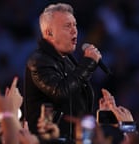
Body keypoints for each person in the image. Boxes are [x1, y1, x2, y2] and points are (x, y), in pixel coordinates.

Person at [23, 2, 102, 141]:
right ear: (49, 33)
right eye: (67, 26)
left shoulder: (68, 60)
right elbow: (60, 91)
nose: (74, 30)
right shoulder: (38, 61)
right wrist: (88, 64)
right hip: (49, 140)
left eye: (75, 25)